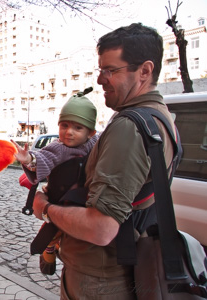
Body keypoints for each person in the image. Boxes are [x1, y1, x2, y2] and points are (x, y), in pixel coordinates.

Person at [31, 23, 177, 299]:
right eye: (100, 70)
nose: (100, 79)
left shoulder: (129, 127)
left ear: (145, 71)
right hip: (117, 269)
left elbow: (101, 228)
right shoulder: (161, 116)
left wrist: (46, 208)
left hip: (98, 280)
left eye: (110, 70)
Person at [11, 89, 98, 274]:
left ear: (91, 132)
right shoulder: (57, 148)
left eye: (78, 128)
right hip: (60, 200)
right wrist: (28, 159)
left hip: (82, 203)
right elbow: (43, 159)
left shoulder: (94, 144)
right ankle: (48, 250)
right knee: (52, 230)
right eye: (64, 125)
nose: (69, 132)